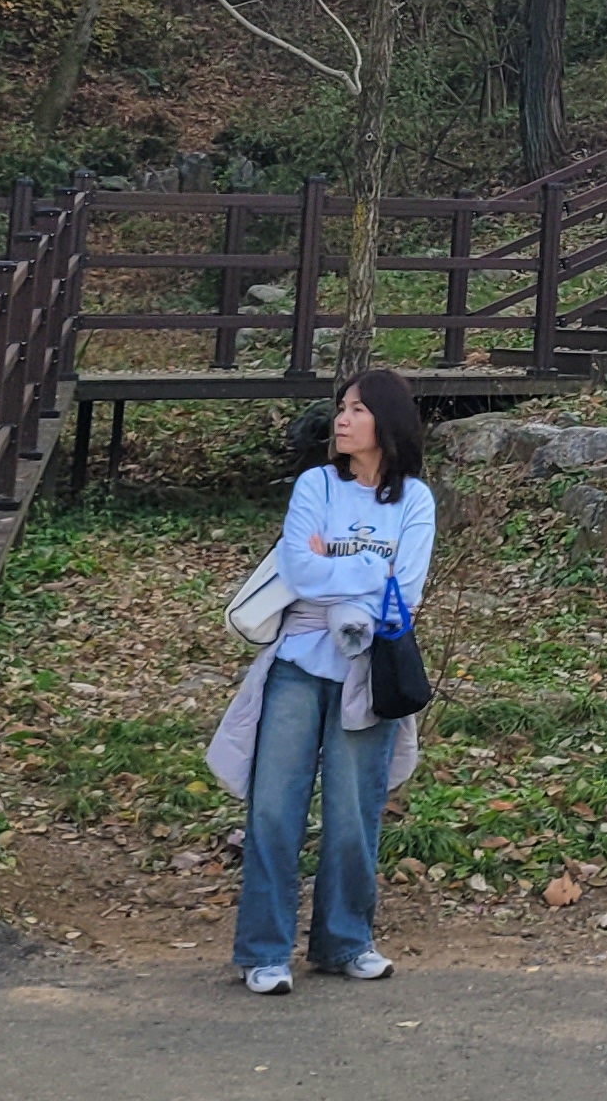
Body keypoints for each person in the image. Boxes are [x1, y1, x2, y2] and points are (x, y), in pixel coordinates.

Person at [207, 370, 435, 995]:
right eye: (340, 408)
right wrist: (367, 567)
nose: (341, 419)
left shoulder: (414, 500)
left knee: (353, 814)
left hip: (369, 670)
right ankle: (263, 952)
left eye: (356, 409)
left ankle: (345, 942)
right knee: (273, 808)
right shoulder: (316, 485)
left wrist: (333, 558)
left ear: (386, 421)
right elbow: (298, 572)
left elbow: (405, 591)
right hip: (298, 661)